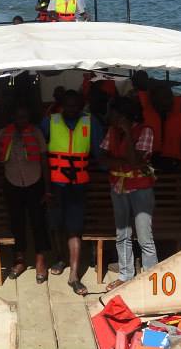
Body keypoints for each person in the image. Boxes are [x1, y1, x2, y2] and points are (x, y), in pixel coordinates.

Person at [41, 90, 105, 295]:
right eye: (68, 106)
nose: (71, 109)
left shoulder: (90, 122)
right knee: (55, 225)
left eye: (75, 106)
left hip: (78, 184)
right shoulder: (50, 121)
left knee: (74, 229)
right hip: (54, 185)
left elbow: (100, 151)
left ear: (81, 105)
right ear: (61, 105)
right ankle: (60, 258)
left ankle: (74, 275)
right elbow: (39, 151)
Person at [99, 97, 157, 291]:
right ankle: (126, 275)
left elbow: (133, 161)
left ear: (123, 115)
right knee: (122, 234)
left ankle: (151, 277)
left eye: (113, 113)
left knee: (144, 237)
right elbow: (103, 160)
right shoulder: (112, 131)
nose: (110, 117)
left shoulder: (145, 131)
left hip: (140, 189)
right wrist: (122, 161)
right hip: (118, 188)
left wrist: (128, 135)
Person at [0, 107, 51, 281]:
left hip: (35, 182)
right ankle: (20, 260)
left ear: (29, 117)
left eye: (24, 116)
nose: (21, 119)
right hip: (12, 183)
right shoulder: (3, 133)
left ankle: (40, 261)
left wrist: (47, 189)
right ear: (13, 117)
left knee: (38, 223)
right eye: (18, 116)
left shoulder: (36, 132)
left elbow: (44, 160)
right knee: (16, 223)